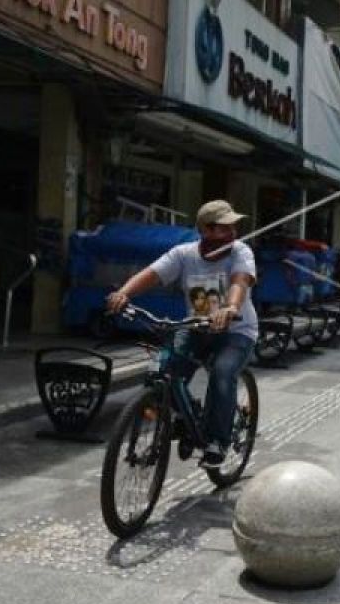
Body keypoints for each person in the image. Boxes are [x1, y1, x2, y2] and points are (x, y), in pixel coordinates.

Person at [107, 199, 258, 467]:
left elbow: (240, 281)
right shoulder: (183, 254)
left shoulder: (240, 252)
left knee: (222, 374)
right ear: (205, 230)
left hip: (237, 331)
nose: (232, 232)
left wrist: (231, 307)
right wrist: (123, 293)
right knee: (162, 372)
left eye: (233, 227)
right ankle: (186, 415)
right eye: (224, 227)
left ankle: (217, 441)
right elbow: (152, 274)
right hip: (196, 326)